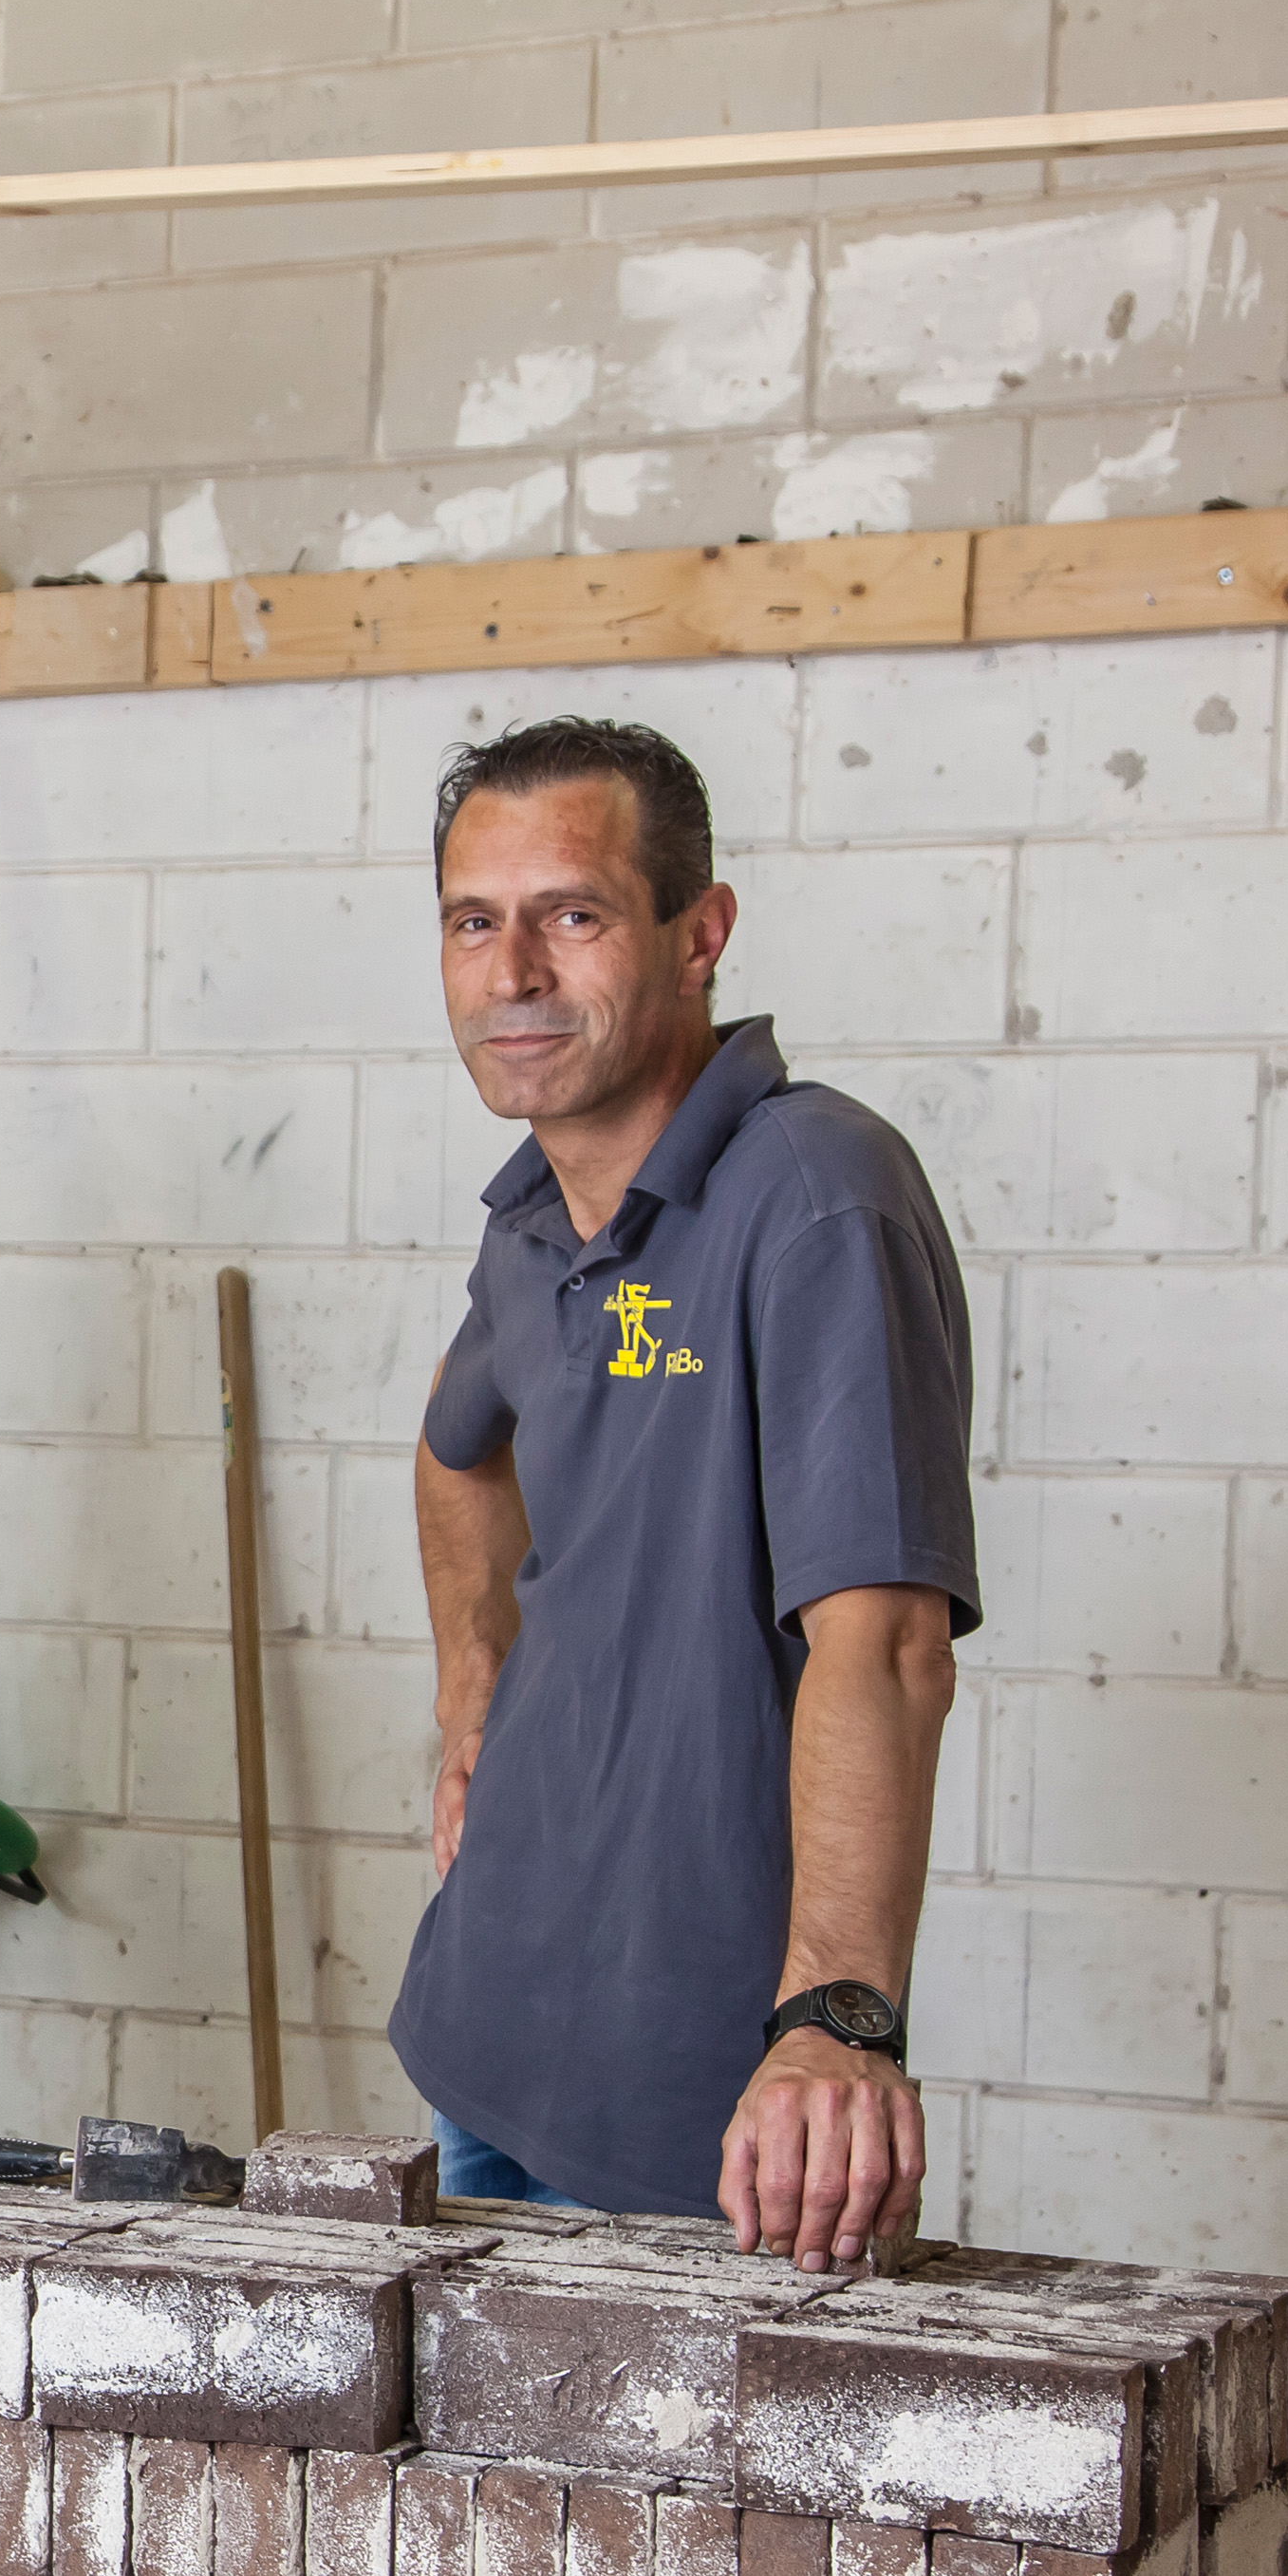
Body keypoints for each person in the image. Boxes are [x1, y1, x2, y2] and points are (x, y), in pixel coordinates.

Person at [394, 710, 975, 2288]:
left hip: (720, 2112)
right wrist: (473, 1692)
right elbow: (459, 1449)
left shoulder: (815, 1194)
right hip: (489, 2036)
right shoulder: (532, 1225)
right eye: (472, 921)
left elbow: (890, 1641)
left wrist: (837, 2019)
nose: (512, 969)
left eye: (570, 914)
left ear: (699, 933)